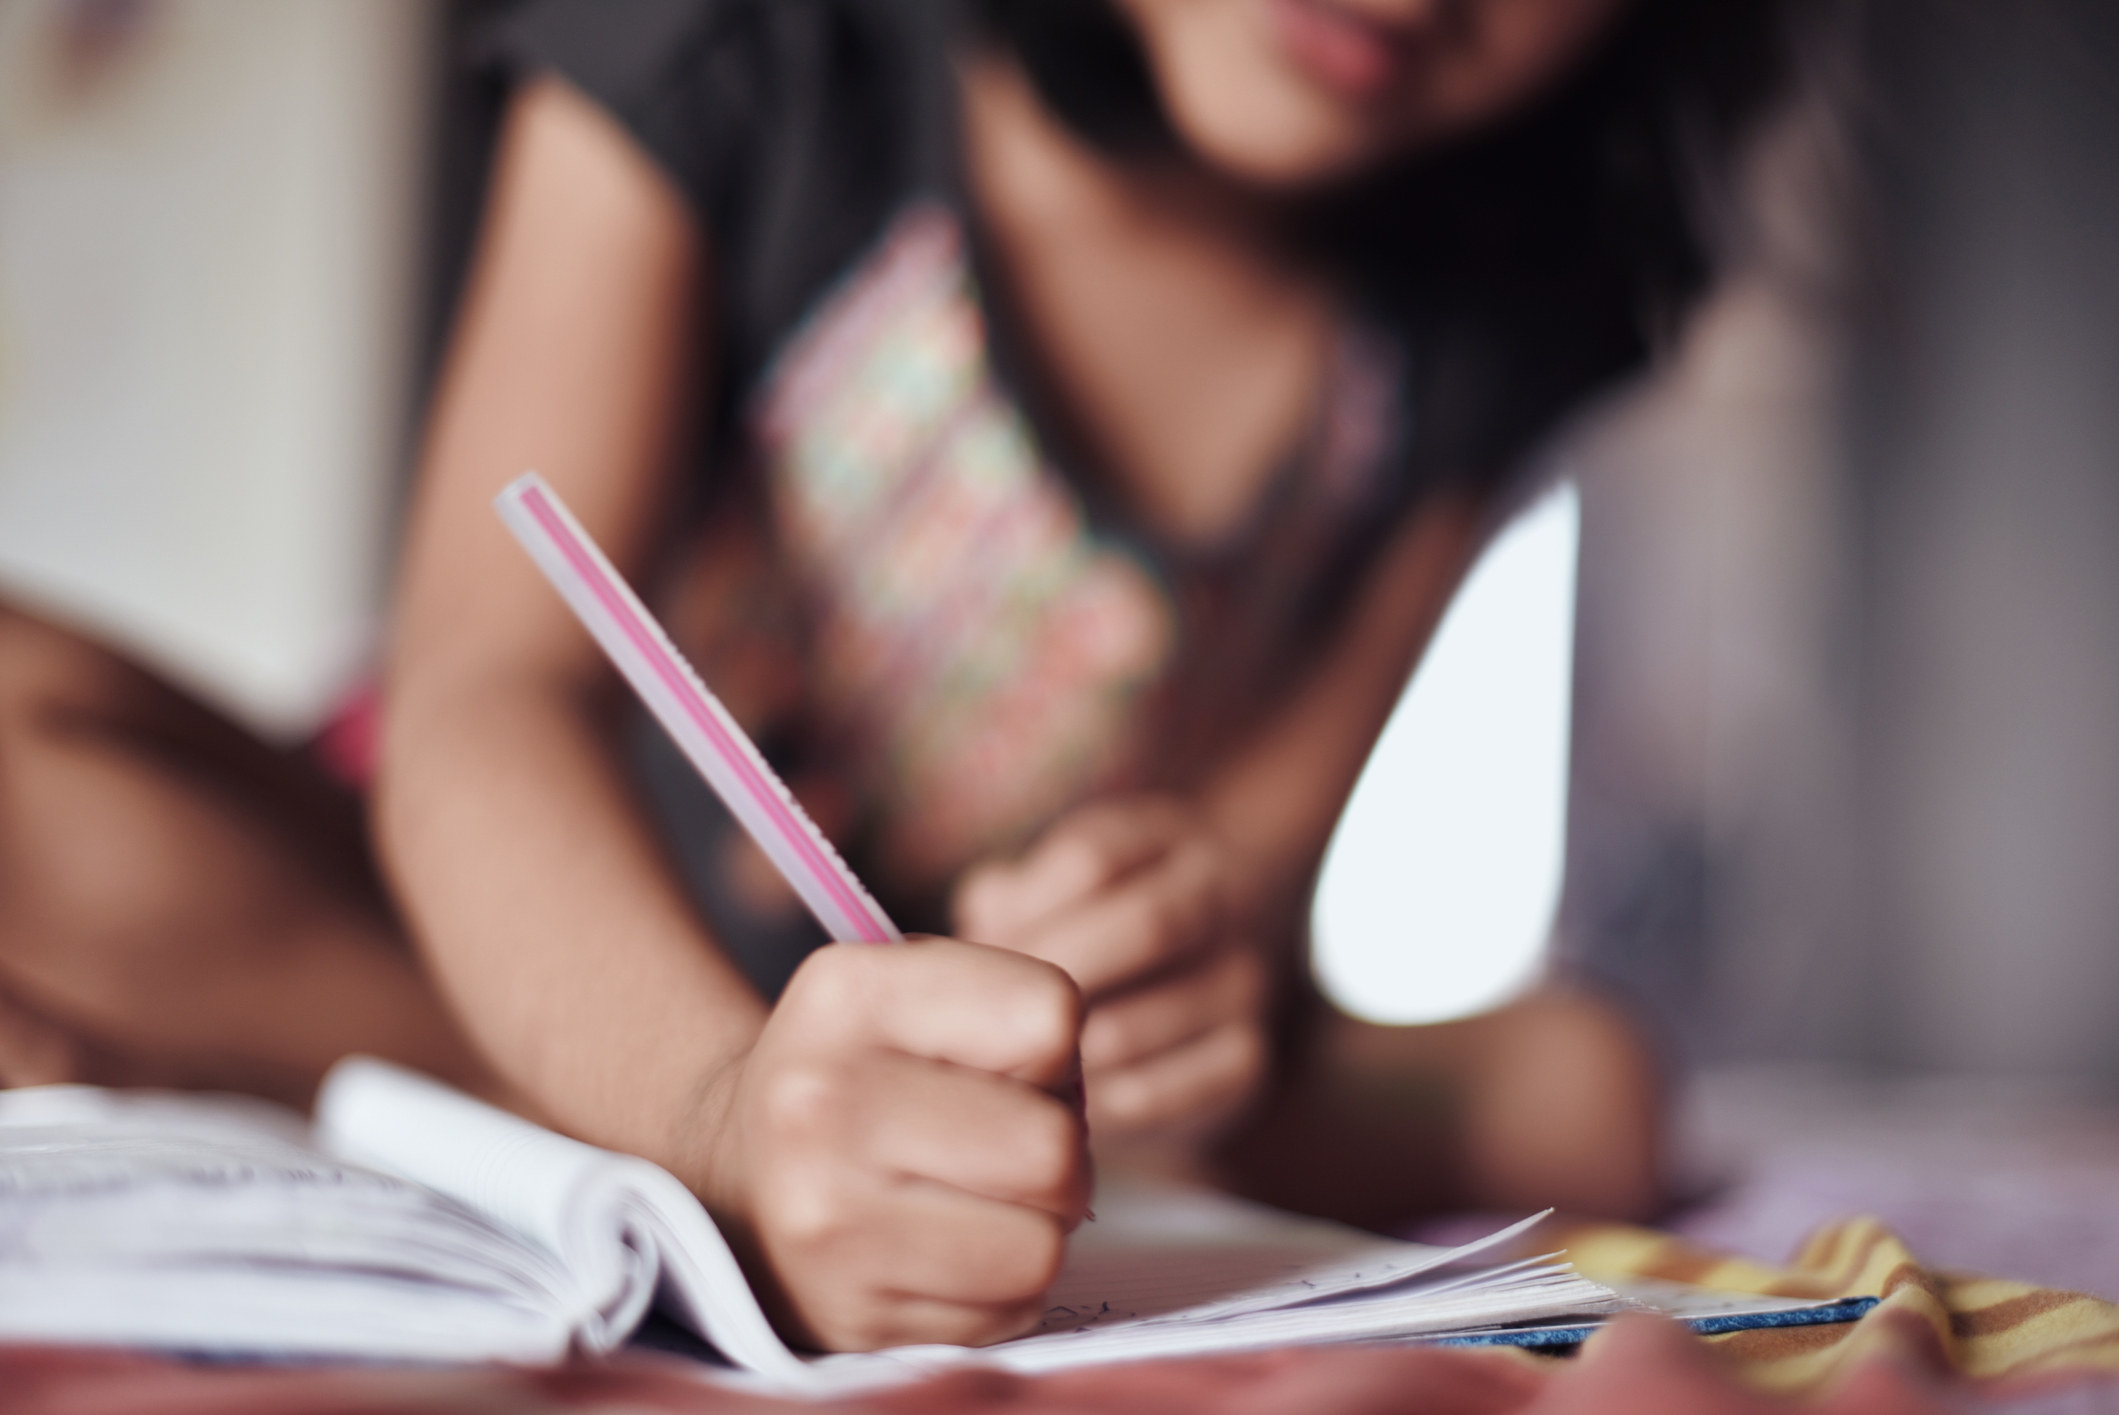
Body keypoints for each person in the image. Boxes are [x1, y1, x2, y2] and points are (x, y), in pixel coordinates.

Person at [0, 0, 1799, 1353]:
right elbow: (486, 702)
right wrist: (717, 1114)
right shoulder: (741, 45)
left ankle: (837, 1145)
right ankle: (724, 1134)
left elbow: (1244, 874)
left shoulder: (1477, 327)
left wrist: (1176, 959)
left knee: (1590, 1094)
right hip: (471, 922)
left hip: (968, 1029)